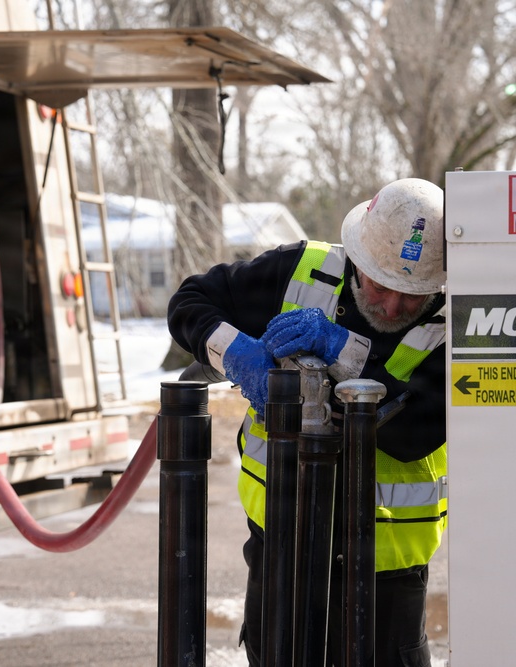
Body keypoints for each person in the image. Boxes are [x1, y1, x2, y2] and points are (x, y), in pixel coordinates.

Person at [167, 177, 447, 666]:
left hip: (387, 572)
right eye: (383, 287)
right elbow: (190, 301)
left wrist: (349, 356)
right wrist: (237, 353)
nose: (394, 307)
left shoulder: (451, 324)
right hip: (283, 551)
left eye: (413, 295)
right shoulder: (301, 270)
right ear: (358, 261)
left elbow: (418, 430)